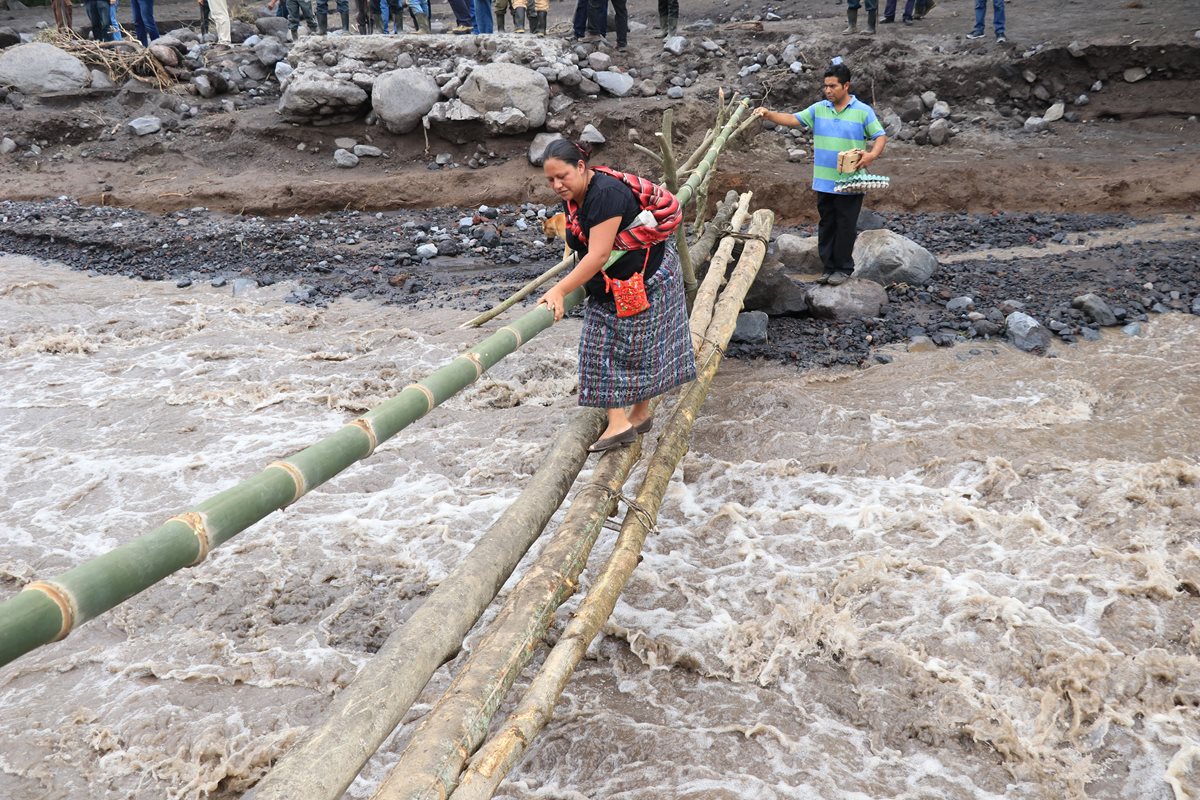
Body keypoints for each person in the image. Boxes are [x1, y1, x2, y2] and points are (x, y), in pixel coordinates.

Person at [536, 140, 697, 453]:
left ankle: (620, 423)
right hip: (641, 275)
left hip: (642, 280)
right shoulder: (578, 196)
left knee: (600, 351)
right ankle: (638, 414)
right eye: (550, 180)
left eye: (563, 176)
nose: (557, 185)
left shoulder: (605, 194)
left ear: (581, 167)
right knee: (643, 348)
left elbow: (596, 256)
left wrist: (559, 289)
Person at [753, 62, 887, 286]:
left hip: (851, 181)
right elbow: (793, 119)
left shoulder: (863, 111)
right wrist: (768, 114)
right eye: (825, 86)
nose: (828, 90)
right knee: (827, 224)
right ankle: (828, 267)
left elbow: (880, 136)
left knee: (845, 225)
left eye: (833, 86)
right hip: (824, 181)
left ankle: (843, 268)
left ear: (846, 86)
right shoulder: (818, 109)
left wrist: (871, 155)